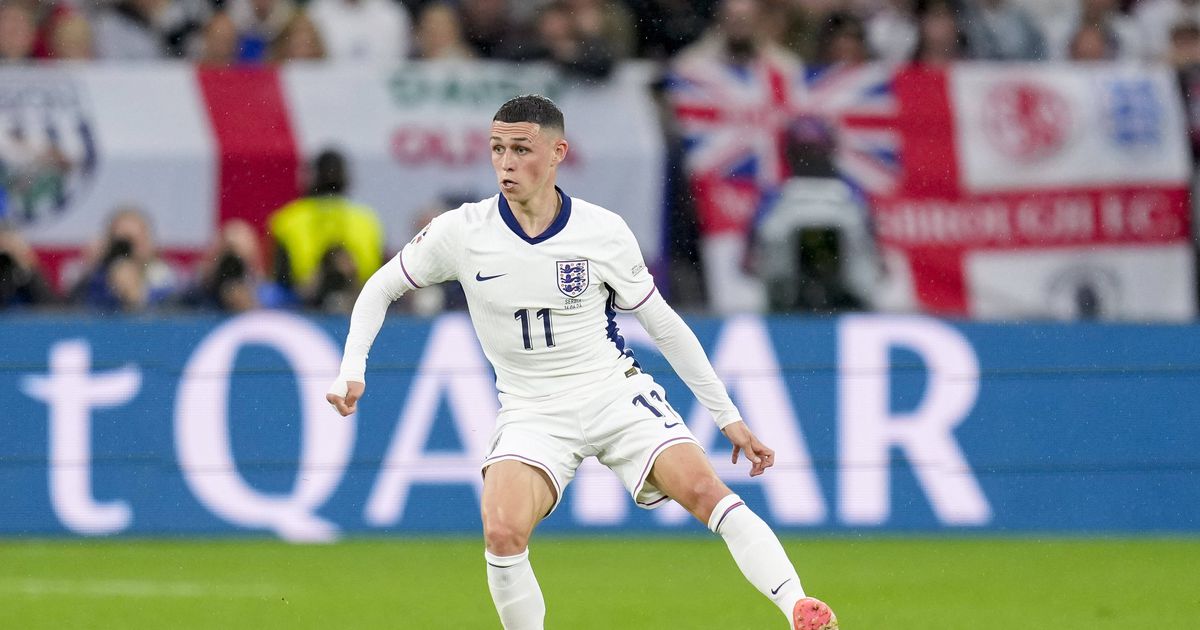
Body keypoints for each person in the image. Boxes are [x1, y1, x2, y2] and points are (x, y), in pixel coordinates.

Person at [325, 95, 838, 630]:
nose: (505, 162)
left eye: (521, 149)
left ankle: (798, 607)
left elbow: (664, 326)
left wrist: (726, 415)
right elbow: (380, 287)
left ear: (557, 153)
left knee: (706, 490)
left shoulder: (602, 231)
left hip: (613, 392)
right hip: (531, 410)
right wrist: (351, 368)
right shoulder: (463, 231)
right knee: (502, 532)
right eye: (497, 149)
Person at [267, 148, 384, 310]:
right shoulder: (367, 220)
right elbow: (381, 278)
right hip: (358, 306)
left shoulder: (288, 220)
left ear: (312, 178)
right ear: (346, 179)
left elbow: (280, 280)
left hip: (303, 310)